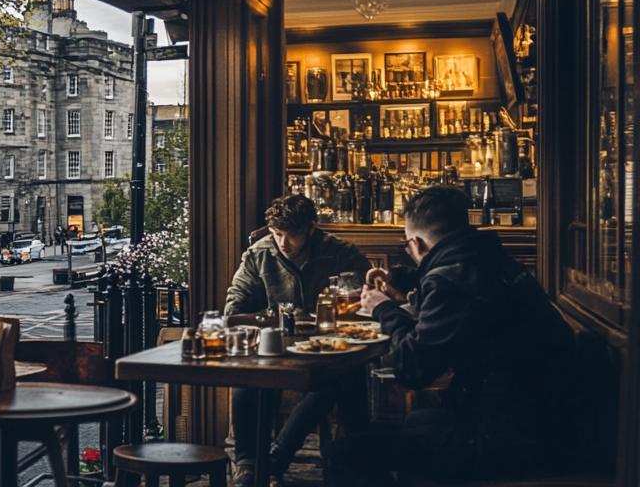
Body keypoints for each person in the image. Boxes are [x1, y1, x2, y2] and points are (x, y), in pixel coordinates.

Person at [326, 186, 578, 487]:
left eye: (408, 246)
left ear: (416, 243)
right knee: (416, 420)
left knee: (340, 453)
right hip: (550, 419)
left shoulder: (450, 282)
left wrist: (384, 310)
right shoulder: (491, 260)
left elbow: (412, 371)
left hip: (510, 436)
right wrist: (400, 281)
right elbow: (453, 296)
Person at [226, 195, 370, 487]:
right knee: (246, 376)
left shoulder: (340, 253)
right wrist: (279, 317)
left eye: (291, 235)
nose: (283, 243)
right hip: (275, 348)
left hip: (327, 351)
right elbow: (234, 310)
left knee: (332, 381)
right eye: (277, 234)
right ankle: (247, 463)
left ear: (311, 228)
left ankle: (275, 460)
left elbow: (364, 302)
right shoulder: (258, 254)